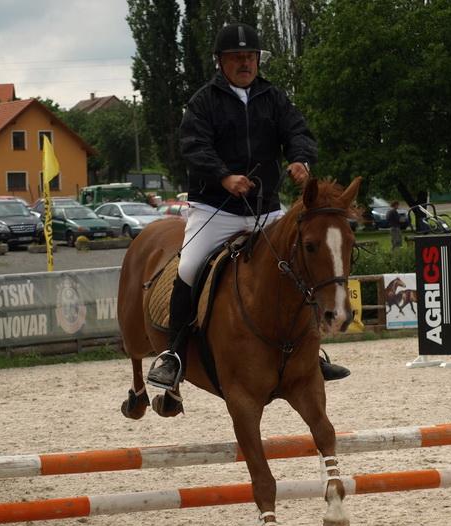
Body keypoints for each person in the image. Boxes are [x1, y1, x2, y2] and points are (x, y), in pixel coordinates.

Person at [147, 22, 350, 392]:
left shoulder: (274, 97)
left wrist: (300, 159)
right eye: (237, 57)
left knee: (297, 263)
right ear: (221, 62)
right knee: (189, 267)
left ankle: (311, 352)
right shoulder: (203, 101)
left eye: (250, 57)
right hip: (216, 208)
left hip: (264, 209)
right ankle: (173, 355)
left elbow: (298, 132)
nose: (245, 63)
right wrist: (224, 176)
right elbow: (194, 145)